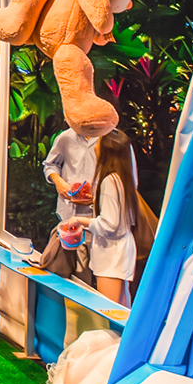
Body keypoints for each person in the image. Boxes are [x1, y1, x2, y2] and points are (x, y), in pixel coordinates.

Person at [60, 130, 139, 306]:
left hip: (112, 254)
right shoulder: (122, 178)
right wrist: (97, 200)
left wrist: (79, 220)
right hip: (121, 249)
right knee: (122, 307)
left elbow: (109, 224)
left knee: (109, 311)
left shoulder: (109, 181)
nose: (95, 146)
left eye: (99, 143)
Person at [43, 127, 98, 224]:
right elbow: (50, 165)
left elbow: (128, 178)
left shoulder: (112, 139)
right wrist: (59, 182)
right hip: (69, 210)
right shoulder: (66, 137)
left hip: (100, 213)